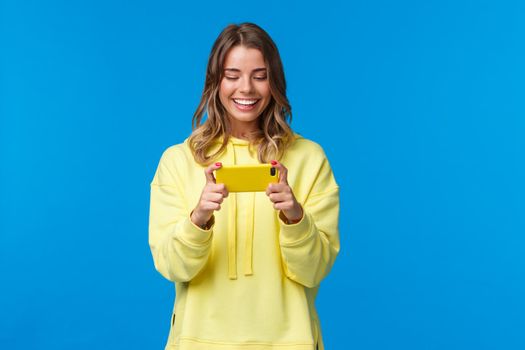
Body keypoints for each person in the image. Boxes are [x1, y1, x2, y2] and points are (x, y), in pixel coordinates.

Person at [149, 22, 340, 350]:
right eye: (232, 75)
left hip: (290, 342)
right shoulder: (179, 160)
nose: (246, 88)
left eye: (260, 75)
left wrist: (295, 218)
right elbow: (172, 267)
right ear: (215, 81)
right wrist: (199, 219)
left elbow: (314, 270)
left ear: (274, 81)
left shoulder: (309, 158)